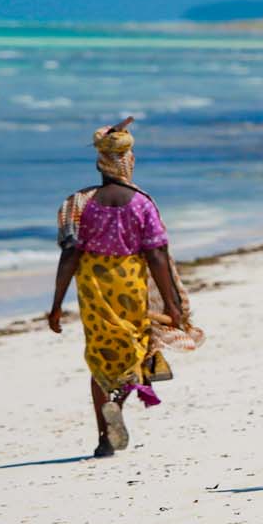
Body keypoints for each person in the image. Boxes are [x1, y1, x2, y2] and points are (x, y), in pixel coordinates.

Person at [47, 118, 202, 457]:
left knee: (101, 355)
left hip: (94, 287)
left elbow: (69, 255)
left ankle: (104, 438)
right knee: (136, 348)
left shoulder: (78, 204)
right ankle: (117, 401)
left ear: (100, 161)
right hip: (131, 284)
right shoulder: (141, 203)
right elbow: (157, 255)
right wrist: (173, 306)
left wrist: (57, 303)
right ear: (128, 161)